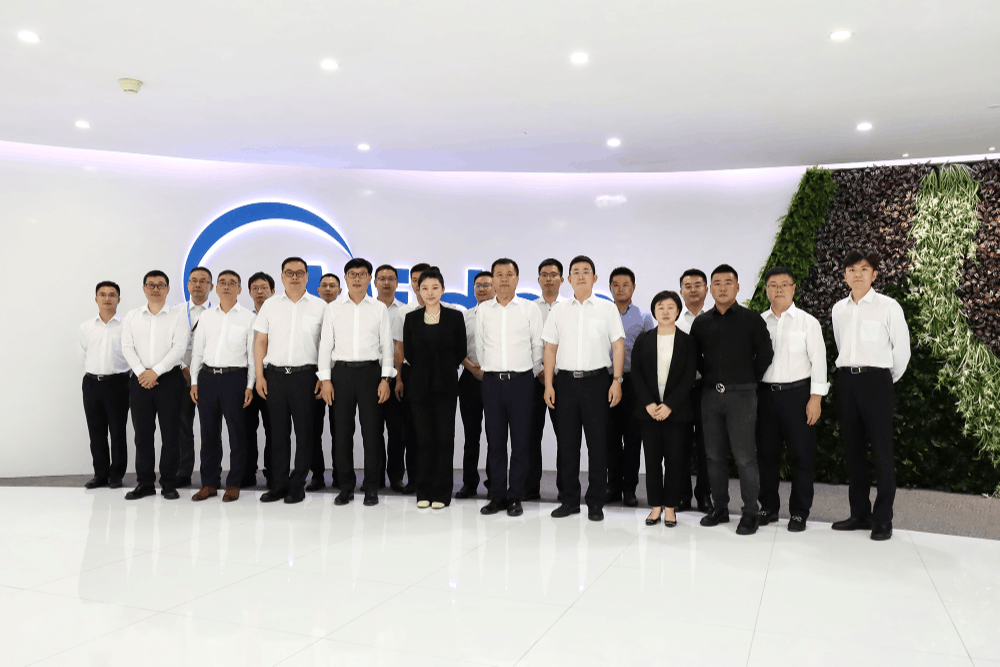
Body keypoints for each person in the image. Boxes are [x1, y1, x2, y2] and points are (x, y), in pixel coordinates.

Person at [830, 250, 910, 541]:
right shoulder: (838, 309)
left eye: (864, 269)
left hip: (877, 382)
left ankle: (883, 519)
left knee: (881, 451)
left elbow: (902, 351)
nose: (858, 274)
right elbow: (840, 344)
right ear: (845, 276)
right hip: (846, 381)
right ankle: (860, 514)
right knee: (853, 450)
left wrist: (883, 380)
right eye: (852, 269)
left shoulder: (888, 307)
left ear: (874, 274)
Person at [690, 264, 773, 535]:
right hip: (710, 396)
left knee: (745, 457)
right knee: (713, 456)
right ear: (710, 289)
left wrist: (749, 380)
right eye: (717, 283)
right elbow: (694, 358)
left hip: (742, 396)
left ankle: (750, 512)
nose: (722, 287)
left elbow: (765, 353)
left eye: (728, 282)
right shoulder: (701, 323)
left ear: (737, 287)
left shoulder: (751, 319)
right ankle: (720, 508)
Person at [542, 255, 625, 522]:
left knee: (598, 445)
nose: (580, 276)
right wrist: (548, 384)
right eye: (575, 271)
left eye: (586, 271)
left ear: (594, 277)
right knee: (567, 445)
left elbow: (618, 346)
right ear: (568, 278)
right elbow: (550, 348)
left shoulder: (607, 309)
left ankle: (596, 503)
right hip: (565, 383)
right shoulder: (558, 310)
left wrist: (617, 380)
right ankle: (569, 501)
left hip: (597, 382)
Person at [318, 259, 395, 507]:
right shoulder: (334, 308)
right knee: (341, 433)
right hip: (341, 374)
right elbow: (325, 346)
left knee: (372, 433)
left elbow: (387, 346)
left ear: (370, 278)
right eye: (352, 274)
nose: (357, 278)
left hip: (371, 374)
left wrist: (385, 379)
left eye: (362, 274)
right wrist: (325, 380)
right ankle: (346, 487)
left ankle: (371, 486)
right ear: (346, 278)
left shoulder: (379, 308)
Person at [757, 267, 829, 532]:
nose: (779, 289)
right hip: (765, 396)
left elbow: (819, 362)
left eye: (784, 284)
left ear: (793, 288)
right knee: (766, 455)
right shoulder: (758, 322)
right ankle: (768, 508)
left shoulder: (807, 322)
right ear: (766, 290)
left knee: (802, 455)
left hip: (798, 396)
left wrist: (815, 398)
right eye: (773, 285)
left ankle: (799, 512)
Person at [253, 257, 327, 504]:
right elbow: (260, 342)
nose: (294, 276)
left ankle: (297, 485)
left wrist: (322, 376)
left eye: (299, 272)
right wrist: (260, 376)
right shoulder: (270, 305)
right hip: (274, 376)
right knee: (277, 433)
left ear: (307, 277)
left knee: (305, 434)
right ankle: (279, 484)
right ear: (282, 276)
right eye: (289, 272)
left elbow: (325, 345)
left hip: (306, 377)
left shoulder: (320, 307)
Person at [477, 259, 543, 517]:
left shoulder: (529, 309)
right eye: (499, 274)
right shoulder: (484, 310)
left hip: (522, 382)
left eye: (509, 274)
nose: (504, 279)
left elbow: (537, 346)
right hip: (492, 382)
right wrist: (490, 367)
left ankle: (516, 496)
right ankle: (497, 495)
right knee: (495, 442)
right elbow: (481, 346)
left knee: (521, 442)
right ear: (492, 279)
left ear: (517, 279)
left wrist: (529, 371)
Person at [120, 270, 191, 500]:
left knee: (170, 434)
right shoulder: (132, 316)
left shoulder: (178, 316)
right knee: (142, 435)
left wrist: (156, 372)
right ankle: (145, 483)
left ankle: (168, 483)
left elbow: (179, 348)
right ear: (144, 288)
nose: (155, 289)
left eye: (160, 285)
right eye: (150, 284)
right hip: (140, 379)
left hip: (169, 379)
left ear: (167, 289)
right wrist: (143, 373)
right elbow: (126, 347)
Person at [630, 290, 696, 527]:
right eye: (660, 307)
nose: (666, 312)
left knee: (675, 461)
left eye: (670, 307)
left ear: (678, 311)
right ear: (654, 311)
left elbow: (689, 376)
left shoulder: (687, 341)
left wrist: (669, 405)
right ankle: (655, 506)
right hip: (648, 411)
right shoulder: (643, 339)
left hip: (676, 412)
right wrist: (649, 403)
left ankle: (670, 508)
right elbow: (636, 373)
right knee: (652, 461)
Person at [403, 267, 467, 509]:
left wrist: (442, 368)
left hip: (446, 387)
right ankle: (423, 491)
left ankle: (441, 493)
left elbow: (460, 351)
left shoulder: (455, 317)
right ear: (418, 291)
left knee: (444, 440)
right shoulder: (411, 319)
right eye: (425, 288)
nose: (430, 293)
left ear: (443, 289)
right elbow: (409, 353)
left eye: (434, 288)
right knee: (423, 440)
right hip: (419, 388)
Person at [190, 270, 255, 502]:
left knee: (237, 434)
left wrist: (250, 385)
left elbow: (252, 356)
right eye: (222, 283)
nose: (227, 286)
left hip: (235, 379)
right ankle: (209, 483)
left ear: (239, 289)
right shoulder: (207, 316)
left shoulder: (248, 318)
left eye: (232, 283)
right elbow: (197, 352)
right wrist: (194, 381)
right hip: (207, 378)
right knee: (208, 433)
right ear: (215, 288)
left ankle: (234, 484)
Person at [606, 267, 656, 506]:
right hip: (607, 382)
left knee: (633, 438)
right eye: (616, 285)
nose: (620, 289)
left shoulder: (644, 317)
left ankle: (629, 489)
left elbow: (652, 352)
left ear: (633, 288)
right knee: (610, 437)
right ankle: (613, 486)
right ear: (610, 288)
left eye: (625, 285)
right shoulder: (603, 314)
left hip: (634, 383)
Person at [79, 281, 131, 489]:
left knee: (117, 431)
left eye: (112, 295)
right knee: (96, 431)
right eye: (103, 295)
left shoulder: (127, 325)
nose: (107, 299)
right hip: (91, 383)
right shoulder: (86, 327)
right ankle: (100, 474)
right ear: (96, 299)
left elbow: (132, 354)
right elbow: (84, 352)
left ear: (118, 299)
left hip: (118, 383)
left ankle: (116, 474)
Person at [675, 268, 714, 513]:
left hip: (707, 390)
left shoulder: (716, 319)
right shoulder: (672, 320)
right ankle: (681, 495)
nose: (692, 290)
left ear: (706, 289)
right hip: (680, 392)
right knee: (680, 444)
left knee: (707, 445)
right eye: (687, 286)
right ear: (681, 291)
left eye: (697, 285)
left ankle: (704, 495)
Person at [393, 262, 433, 495]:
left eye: (424, 279)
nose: (419, 284)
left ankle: (435, 480)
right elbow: (399, 348)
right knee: (411, 430)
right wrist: (399, 378)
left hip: (437, 375)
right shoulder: (404, 312)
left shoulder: (449, 310)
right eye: (415, 280)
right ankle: (414, 480)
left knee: (436, 431)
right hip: (411, 374)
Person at [528, 258, 566, 500]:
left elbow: (571, 344)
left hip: (562, 380)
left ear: (562, 279)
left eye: (553, 274)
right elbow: (527, 342)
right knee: (530, 436)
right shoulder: (530, 308)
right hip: (533, 380)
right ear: (539, 279)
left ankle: (565, 489)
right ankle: (530, 488)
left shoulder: (569, 307)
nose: (549, 278)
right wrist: (539, 370)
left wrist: (553, 370)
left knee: (565, 437)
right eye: (544, 274)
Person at [173, 267, 213, 488]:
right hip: (180, 375)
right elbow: (167, 343)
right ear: (187, 284)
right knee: (182, 426)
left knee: (209, 427)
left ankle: (210, 475)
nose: (198, 285)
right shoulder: (175, 312)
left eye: (203, 281)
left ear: (211, 286)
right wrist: (184, 367)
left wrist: (197, 371)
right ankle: (183, 471)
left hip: (207, 377)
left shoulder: (217, 313)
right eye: (194, 281)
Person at [456, 270, 495, 498]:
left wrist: (487, 369)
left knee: (494, 435)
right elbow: (457, 348)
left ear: (495, 287)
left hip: (494, 379)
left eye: (486, 285)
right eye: (478, 285)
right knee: (471, 435)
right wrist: (471, 368)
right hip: (469, 379)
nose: (482, 289)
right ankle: (469, 483)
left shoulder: (502, 315)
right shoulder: (465, 316)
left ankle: (494, 483)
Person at [308, 272, 341, 491]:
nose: (328, 289)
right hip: (313, 376)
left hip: (340, 375)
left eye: (333, 285)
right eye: (324, 285)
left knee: (340, 430)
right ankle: (317, 475)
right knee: (313, 429)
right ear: (318, 289)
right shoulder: (311, 311)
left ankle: (340, 475)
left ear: (340, 290)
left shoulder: (344, 312)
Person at [374, 264, 406, 491]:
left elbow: (401, 347)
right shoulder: (366, 309)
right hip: (370, 374)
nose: (386, 282)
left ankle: (396, 478)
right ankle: (375, 478)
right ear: (375, 282)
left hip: (396, 376)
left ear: (397, 282)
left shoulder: (404, 311)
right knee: (373, 430)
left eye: (391, 278)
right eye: (382, 278)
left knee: (397, 431)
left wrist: (398, 377)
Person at [244, 271, 274, 488]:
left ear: (272, 291)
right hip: (246, 380)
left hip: (271, 378)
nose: (259, 292)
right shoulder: (244, 318)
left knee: (274, 428)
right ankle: (247, 472)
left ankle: (273, 473)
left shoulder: (278, 317)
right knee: (246, 428)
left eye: (264, 288)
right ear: (249, 292)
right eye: (255, 288)